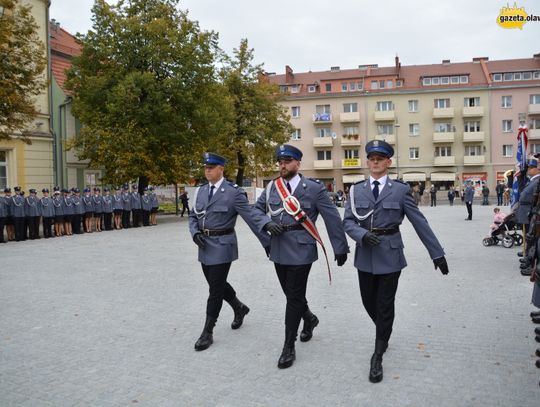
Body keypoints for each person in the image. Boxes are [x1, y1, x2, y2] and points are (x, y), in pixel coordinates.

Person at [343, 139, 448, 383]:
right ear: (367, 161)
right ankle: (385, 330)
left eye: (380, 159)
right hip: (365, 255)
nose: (375, 162)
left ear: (388, 162)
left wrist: (437, 253)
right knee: (368, 302)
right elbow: (347, 221)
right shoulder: (356, 190)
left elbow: (419, 221)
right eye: (371, 158)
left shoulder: (400, 190)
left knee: (384, 304)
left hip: (390, 254)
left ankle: (378, 354)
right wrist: (361, 235)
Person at [254, 144, 349, 369]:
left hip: (301, 248)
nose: (282, 165)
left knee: (294, 296)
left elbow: (332, 217)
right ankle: (309, 318)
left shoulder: (313, 189)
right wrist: (266, 223)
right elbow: (256, 211)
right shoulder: (271, 188)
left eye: (287, 161)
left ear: (298, 163)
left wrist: (340, 247)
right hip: (278, 248)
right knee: (291, 294)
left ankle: (289, 345)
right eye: (280, 162)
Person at [189, 152, 271, 352]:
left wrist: (268, 242)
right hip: (204, 244)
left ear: (221, 169)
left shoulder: (233, 192)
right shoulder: (200, 191)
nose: (207, 170)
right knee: (215, 283)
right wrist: (194, 233)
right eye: (205, 167)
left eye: (211, 167)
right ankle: (239, 307)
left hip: (223, 245)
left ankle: (207, 332)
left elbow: (251, 218)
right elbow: (193, 216)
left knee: (214, 290)